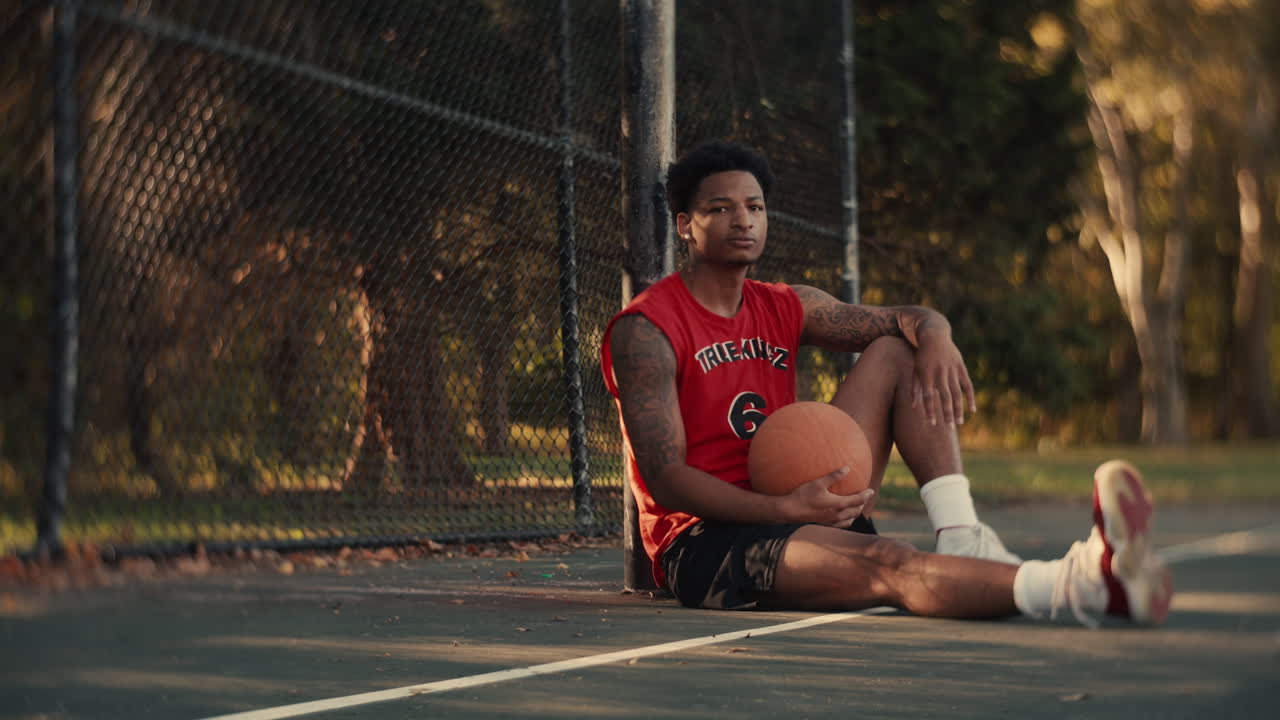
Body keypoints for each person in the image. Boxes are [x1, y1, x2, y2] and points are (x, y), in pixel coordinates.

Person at [600, 139, 1173, 625]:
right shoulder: (646, 330)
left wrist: (939, 333)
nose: (743, 220)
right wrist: (781, 508)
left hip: (798, 495)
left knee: (901, 351)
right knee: (889, 563)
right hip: (709, 541)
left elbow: (909, 320)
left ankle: (962, 531)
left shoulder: (786, 304)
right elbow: (667, 479)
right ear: (686, 225)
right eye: (721, 209)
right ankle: (1084, 585)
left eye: (755, 206)